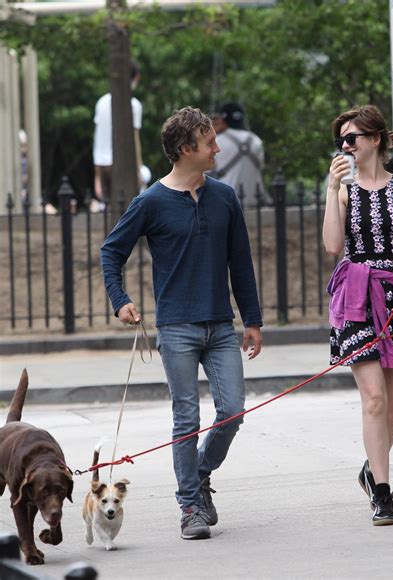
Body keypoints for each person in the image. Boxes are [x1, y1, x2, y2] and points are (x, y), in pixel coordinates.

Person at [101, 106, 263, 540]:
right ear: (185, 149)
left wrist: (253, 320)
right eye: (209, 142)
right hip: (175, 328)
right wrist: (120, 301)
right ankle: (190, 506)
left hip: (220, 326)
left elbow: (241, 264)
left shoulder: (224, 196)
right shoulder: (151, 201)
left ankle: (199, 473)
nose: (218, 147)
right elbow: (111, 252)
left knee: (232, 412)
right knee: (186, 418)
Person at [323, 105, 393, 526]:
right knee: (375, 399)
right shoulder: (344, 191)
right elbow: (332, 246)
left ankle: (370, 468)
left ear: (376, 139)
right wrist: (331, 191)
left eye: (353, 138)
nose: (347, 146)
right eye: (342, 140)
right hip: (356, 298)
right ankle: (383, 494)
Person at [91, 61, 144, 213]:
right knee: (126, 209)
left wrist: (96, 172)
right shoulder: (133, 105)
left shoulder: (101, 102)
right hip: (122, 163)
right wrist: (138, 168)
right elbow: (135, 139)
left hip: (101, 163)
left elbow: (98, 137)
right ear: (136, 78)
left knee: (110, 209)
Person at [212, 102, 268, 207]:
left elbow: (204, 172)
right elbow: (261, 167)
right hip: (254, 203)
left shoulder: (216, 141)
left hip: (227, 205)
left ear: (222, 120)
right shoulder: (256, 140)